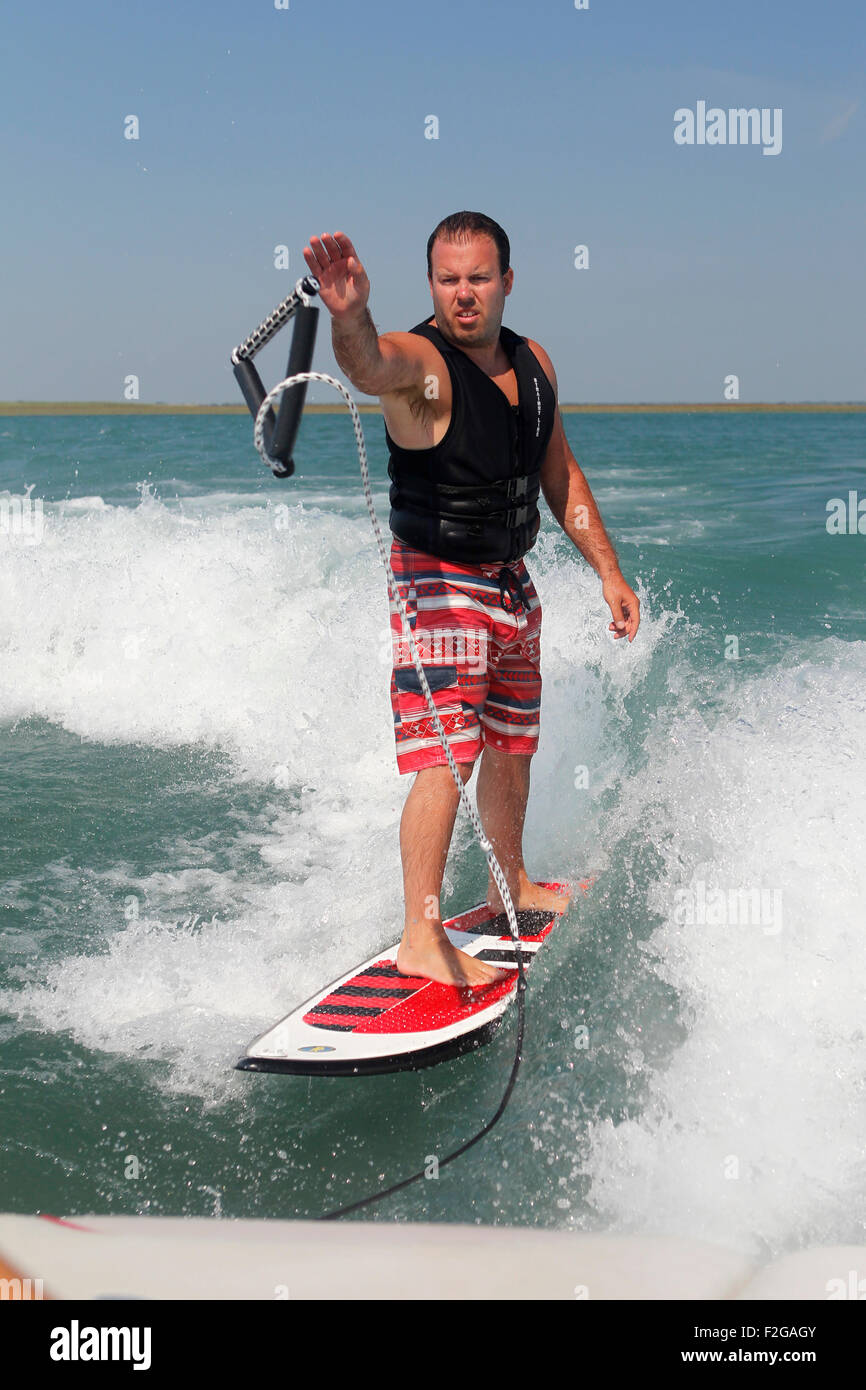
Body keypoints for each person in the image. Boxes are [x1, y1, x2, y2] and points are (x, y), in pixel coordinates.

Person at [303, 212, 639, 989]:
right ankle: (420, 935)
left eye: (478, 278)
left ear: (507, 283)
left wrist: (607, 572)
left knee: (514, 740)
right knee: (445, 755)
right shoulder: (424, 364)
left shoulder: (535, 365)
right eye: (448, 279)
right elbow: (369, 365)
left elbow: (560, 475)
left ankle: (508, 883)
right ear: (431, 286)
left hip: (512, 579)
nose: (464, 295)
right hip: (437, 581)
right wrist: (350, 317)